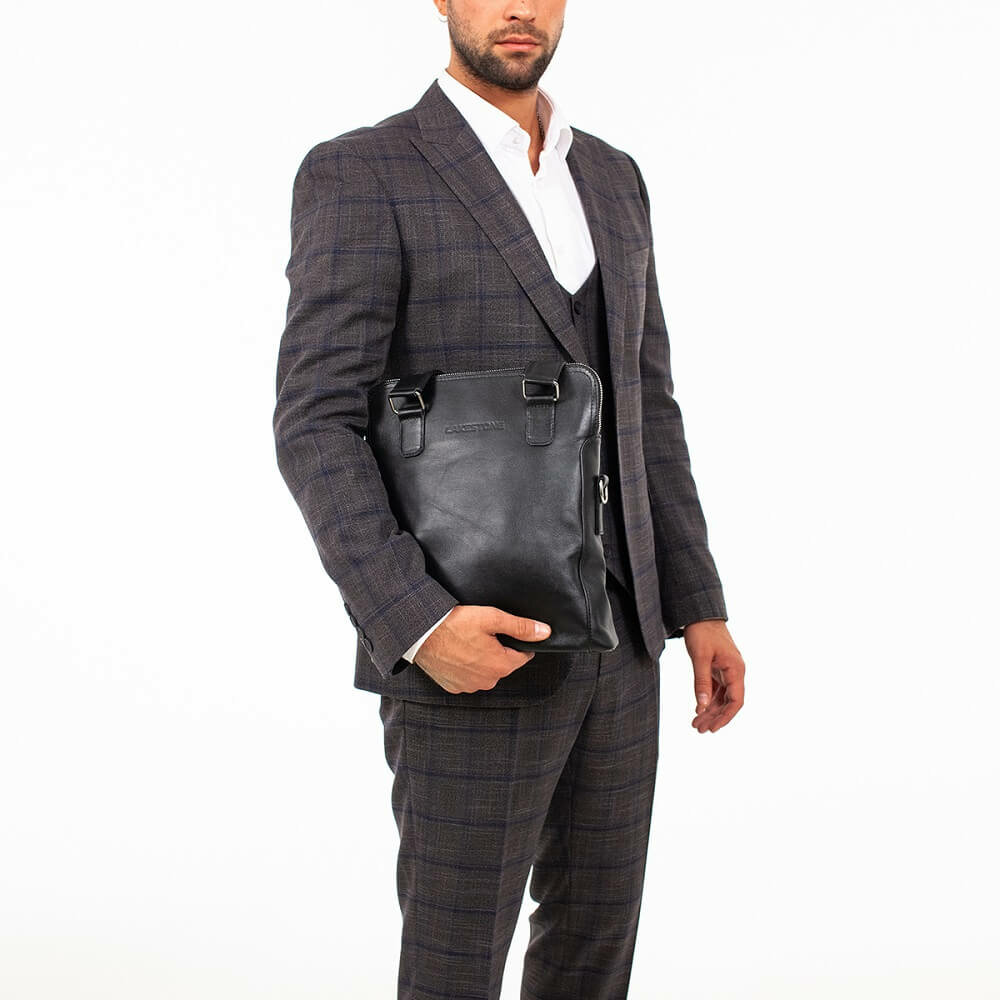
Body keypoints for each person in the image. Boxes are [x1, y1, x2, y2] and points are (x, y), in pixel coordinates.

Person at [272, 1, 746, 995]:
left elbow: (646, 401)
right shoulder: (364, 173)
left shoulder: (611, 177)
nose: (520, 8)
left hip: (625, 644)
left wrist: (697, 603)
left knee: (592, 958)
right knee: (454, 968)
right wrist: (417, 620)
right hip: (470, 645)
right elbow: (315, 421)